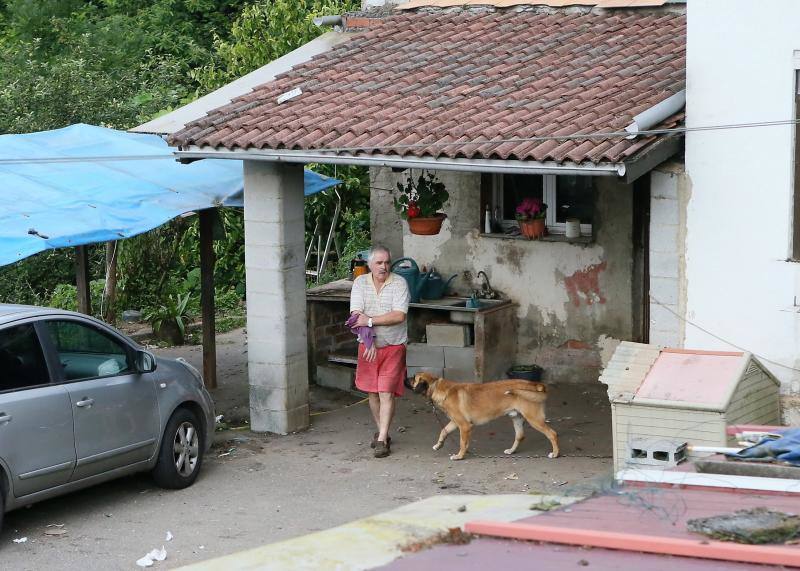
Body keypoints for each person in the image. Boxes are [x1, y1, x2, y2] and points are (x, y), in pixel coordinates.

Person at [349, 245, 410, 458]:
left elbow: (399, 315)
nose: (384, 267)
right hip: (368, 347)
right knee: (372, 392)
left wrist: (371, 320)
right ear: (370, 265)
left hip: (393, 345)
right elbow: (356, 316)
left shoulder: (399, 283)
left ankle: (382, 438)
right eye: (379, 263)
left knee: (386, 391)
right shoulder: (360, 283)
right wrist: (369, 339)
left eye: (387, 263)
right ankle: (382, 431)